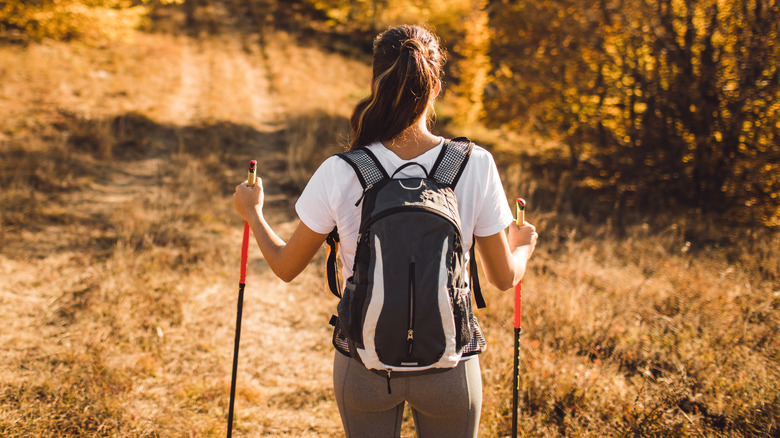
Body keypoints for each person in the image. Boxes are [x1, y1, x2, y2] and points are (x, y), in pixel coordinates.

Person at [234, 24, 537, 438]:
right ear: (436, 88)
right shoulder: (474, 163)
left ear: (374, 82)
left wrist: (253, 214)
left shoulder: (342, 170)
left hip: (363, 364)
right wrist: (521, 248)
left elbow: (286, 267)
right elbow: (503, 278)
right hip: (450, 367)